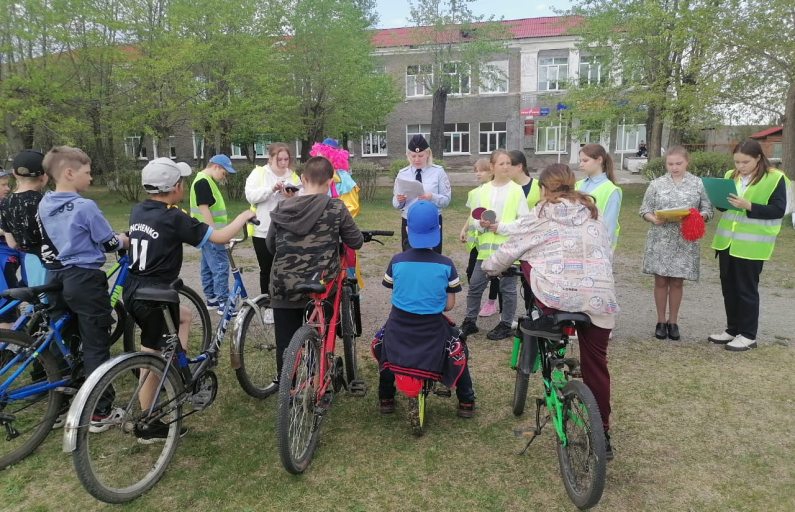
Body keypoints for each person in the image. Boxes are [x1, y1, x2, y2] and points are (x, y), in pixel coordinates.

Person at [482, 163, 619, 460]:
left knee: (528, 259)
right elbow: (607, 254)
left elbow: (511, 250)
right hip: (599, 299)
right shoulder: (593, 214)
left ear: (543, 189)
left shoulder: (541, 213)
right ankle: (603, 433)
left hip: (556, 298)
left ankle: (542, 314)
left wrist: (488, 268)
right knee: (596, 364)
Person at [124, 157, 256, 442]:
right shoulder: (174, 217)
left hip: (133, 288)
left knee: (184, 316)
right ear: (175, 187)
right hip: (156, 294)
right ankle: (150, 421)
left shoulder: (139, 210)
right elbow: (219, 237)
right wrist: (243, 217)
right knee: (151, 357)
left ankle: (175, 369)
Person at [37, 146, 129, 431]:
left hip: (55, 277)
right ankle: (101, 412)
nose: (91, 178)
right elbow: (108, 242)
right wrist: (124, 240)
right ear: (69, 173)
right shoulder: (84, 206)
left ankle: (63, 402)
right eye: (87, 173)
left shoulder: (44, 203)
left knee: (63, 339)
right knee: (95, 343)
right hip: (84, 278)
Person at [266, 156, 363, 381]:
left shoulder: (282, 206)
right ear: (330, 181)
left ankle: (287, 388)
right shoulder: (335, 207)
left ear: (302, 178)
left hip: (283, 284)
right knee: (318, 335)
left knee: (286, 343)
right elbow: (355, 241)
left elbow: (271, 246)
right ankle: (313, 382)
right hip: (319, 285)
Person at [378, 200, 475, 418]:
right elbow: (449, 305)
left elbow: (393, 290)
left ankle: (386, 397)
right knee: (460, 352)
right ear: (438, 229)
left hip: (399, 326)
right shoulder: (446, 264)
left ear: (407, 229)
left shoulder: (396, 261)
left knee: (385, 351)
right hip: (433, 328)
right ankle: (466, 400)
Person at [708, 139, 789, 352]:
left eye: (745, 162)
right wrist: (717, 198)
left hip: (752, 246)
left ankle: (748, 335)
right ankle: (732, 329)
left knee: (746, 290)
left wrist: (749, 206)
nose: (740, 166)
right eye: (737, 162)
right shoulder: (729, 176)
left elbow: (778, 210)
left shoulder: (775, 178)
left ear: (758, 158)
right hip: (727, 242)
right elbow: (725, 207)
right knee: (729, 288)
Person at [639, 147, 712, 341]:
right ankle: (660, 321)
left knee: (677, 281)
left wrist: (698, 216)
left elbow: (707, 209)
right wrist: (653, 218)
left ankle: (673, 321)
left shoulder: (697, 184)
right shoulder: (656, 184)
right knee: (661, 280)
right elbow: (644, 209)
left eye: (678, 163)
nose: (674, 167)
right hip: (661, 237)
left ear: (687, 162)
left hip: (684, 239)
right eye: (670, 164)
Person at [460, 149, 530, 340]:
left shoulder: (516, 191)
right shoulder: (481, 191)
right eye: (502, 163)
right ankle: (469, 321)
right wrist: (480, 224)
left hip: (507, 251)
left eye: (508, 163)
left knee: (507, 289)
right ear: (492, 167)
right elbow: (474, 219)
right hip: (484, 251)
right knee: (475, 286)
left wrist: (501, 227)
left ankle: (506, 324)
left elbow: (524, 222)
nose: (506, 166)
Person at [245, 143, 299, 324]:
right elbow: (251, 196)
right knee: (266, 269)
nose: (284, 163)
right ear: (270, 158)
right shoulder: (259, 173)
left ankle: (285, 304)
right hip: (262, 229)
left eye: (286, 159)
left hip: (286, 229)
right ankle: (267, 305)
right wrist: (271, 189)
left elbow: (303, 198)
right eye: (280, 159)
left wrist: (291, 197)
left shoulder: (292, 176)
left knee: (285, 268)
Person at [309, 138, 362, 286]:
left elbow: (351, 207)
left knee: (346, 268)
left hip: (340, 231)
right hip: (317, 232)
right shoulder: (313, 177)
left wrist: (334, 221)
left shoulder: (343, 179)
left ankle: (348, 295)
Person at [190, 154, 236, 313]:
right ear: (216, 167)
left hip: (204, 233)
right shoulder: (203, 182)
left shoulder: (203, 180)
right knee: (220, 266)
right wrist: (215, 233)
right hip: (211, 233)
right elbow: (204, 209)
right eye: (224, 172)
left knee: (208, 265)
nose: (224, 177)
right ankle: (224, 302)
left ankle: (212, 299)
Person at [393, 135, 451, 254]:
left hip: (432, 220)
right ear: (408, 155)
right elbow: (395, 203)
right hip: (409, 220)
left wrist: (432, 197)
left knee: (433, 256)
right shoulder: (402, 174)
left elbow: (446, 199)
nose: (417, 159)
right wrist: (400, 200)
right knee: (409, 256)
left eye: (421, 155)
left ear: (428, 154)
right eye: (413, 156)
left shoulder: (438, 172)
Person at [1, 150, 49, 294]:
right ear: (44, 176)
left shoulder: (5, 203)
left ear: (14, 174)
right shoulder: (46, 201)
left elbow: (12, 243)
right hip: (51, 263)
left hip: (31, 261)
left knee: (39, 303)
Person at [458, 158, 501, 317]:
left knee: (495, 272)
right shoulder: (474, 193)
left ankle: (491, 301)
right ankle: (477, 301)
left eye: (481, 170)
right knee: (471, 271)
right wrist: (464, 229)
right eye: (476, 170)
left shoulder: (497, 192)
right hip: (477, 241)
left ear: (491, 171)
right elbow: (472, 215)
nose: (478, 173)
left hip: (493, 240)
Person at [508, 150, 541, 313]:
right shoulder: (506, 188)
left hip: (534, 244)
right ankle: (506, 318)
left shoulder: (538, 187)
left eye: (508, 165)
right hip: (512, 241)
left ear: (519, 166)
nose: (504, 169)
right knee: (508, 282)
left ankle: (532, 313)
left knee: (530, 282)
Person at [577, 143, 622, 247]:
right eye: (580, 161)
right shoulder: (578, 185)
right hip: (578, 245)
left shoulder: (611, 190)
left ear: (599, 160)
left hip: (598, 248)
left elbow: (609, 225)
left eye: (585, 160)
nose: (581, 164)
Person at [0, 167, 19, 329]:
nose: (7, 188)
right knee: (7, 301)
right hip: (3, 260)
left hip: (11, 256)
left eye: (8, 184)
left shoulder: (5, 204)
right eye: (3, 185)